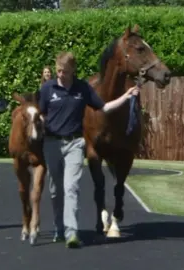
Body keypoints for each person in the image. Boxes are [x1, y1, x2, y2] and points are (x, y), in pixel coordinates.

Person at [38, 51, 140, 248]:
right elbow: (41, 114)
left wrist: (127, 96)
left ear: (73, 71)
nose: (60, 75)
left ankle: (71, 233)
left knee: (71, 188)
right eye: (58, 71)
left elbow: (104, 108)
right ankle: (59, 227)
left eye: (65, 72)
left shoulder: (82, 88)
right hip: (52, 144)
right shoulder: (47, 89)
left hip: (75, 144)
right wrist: (39, 123)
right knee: (55, 190)